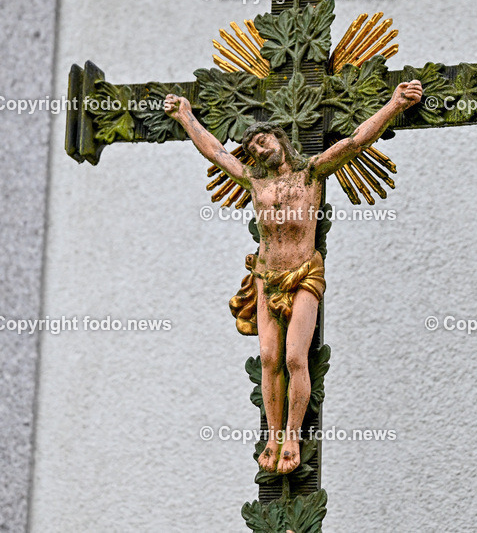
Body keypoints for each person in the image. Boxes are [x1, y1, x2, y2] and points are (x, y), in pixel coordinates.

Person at [163, 79, 422, 473]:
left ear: (280, 139)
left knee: (295, 357)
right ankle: (273, 434)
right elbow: (215, 152)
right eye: (251, 149)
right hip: (267, 276)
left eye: (263, 141)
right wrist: (185, 115)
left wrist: (394, 104)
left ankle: (293, 437)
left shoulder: (312, 173)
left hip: (303, 274)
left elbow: (354, 142)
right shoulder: (255, 181)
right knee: (269, 358)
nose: (258, 150)